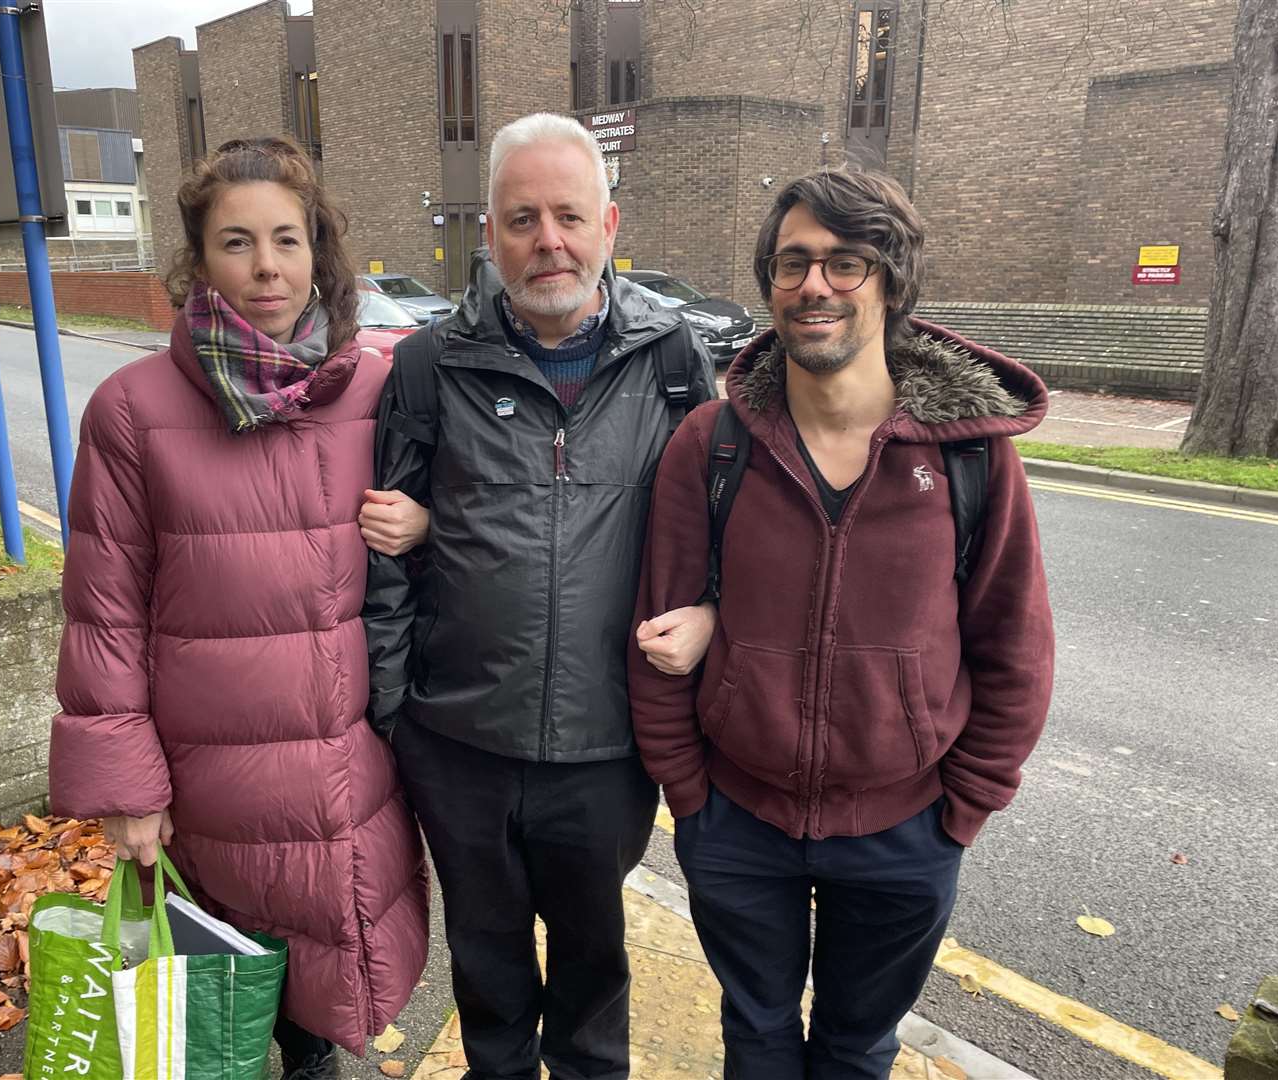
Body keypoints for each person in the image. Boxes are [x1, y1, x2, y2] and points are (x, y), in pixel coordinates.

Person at [628, 166, 1055, 1079]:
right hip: (738, 821)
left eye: (845, 262)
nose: (814, 285)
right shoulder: (712, 445)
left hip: (907, 834)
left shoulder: (971, 457)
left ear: (891, 283)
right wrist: (688, 797)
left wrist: (964, 807)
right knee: (758, 1039)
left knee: (859, 1048)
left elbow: (1014, 646)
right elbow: (656, 634)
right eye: (792, 264)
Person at [49, 136, 431, 1080]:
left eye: (288, 240)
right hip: (211, 785)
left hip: (355, 766)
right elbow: (104, 611)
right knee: (215, 1011)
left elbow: (463, 532)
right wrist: (125, 791)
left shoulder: (378, 389)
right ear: (198, 259)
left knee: (321, 1011)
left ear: (320, 256)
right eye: (237, 242)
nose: (267, 266)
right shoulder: (132, 410)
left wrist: (427, 527)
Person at [363, 113, 716, 1080]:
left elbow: (720, 543)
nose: (546, 240)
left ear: (609, 223)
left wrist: (711, 630)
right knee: (487, 969)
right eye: (522, 219)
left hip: (606, 747)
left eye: (567, 215)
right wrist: (394, 713)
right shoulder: (430, 368)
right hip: (460, 742)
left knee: (595, 972)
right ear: (490, 235)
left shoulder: (678, 367)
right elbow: (387, 549)